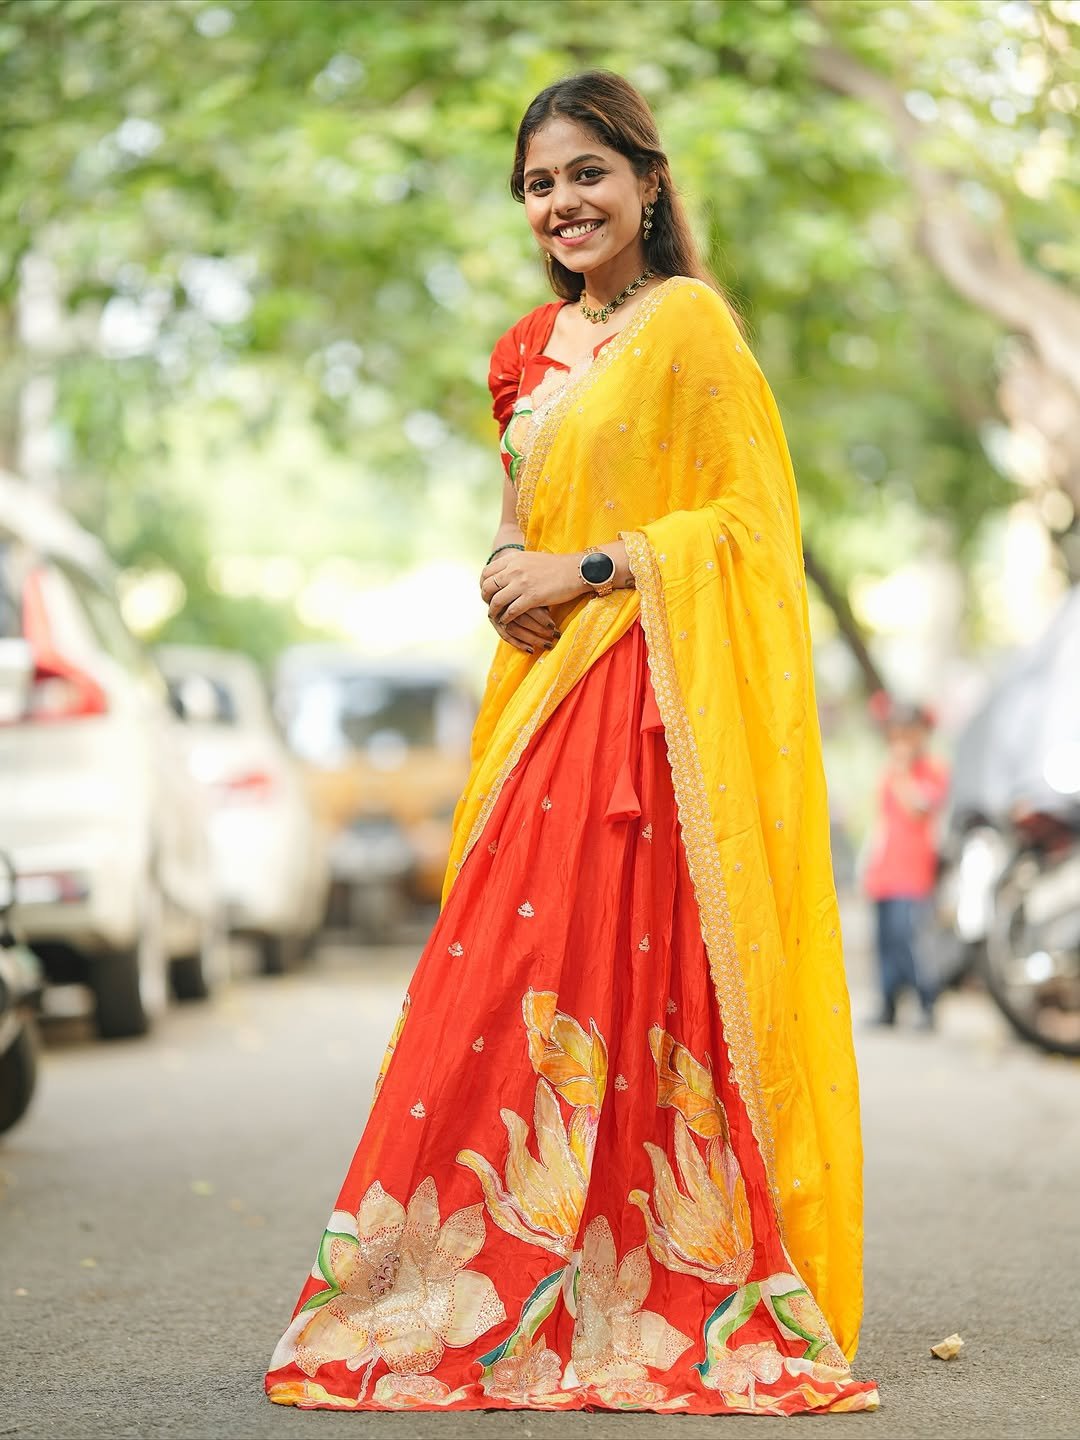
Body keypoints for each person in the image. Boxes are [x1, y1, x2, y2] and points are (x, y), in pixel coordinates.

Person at [265, 70, 879, 1416]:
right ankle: (482, 1271)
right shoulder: (523, 353)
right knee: (511, 983)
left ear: (650, 182)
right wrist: (508, 565)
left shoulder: (691, 326)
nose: (564, 202)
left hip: (653, 714)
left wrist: (591, 568)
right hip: (545, 706)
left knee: (629, 980)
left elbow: (747, 528)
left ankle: (650, 1272)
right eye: (541, 184)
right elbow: (517, 514)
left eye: (587, 173)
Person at [864, 702, 949, 1029]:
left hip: (914, 870)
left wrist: (900, 774)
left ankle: (926, 1002)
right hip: (885, 867)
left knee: (910, 938)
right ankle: (888, 1004)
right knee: (885, 939)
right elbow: (881, 819)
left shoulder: (932, 769)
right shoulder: (889, 772)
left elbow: (918, 808)